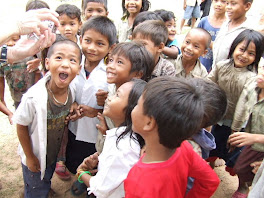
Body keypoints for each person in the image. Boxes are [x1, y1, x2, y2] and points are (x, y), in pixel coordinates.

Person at [124, 77, 220, 198]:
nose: (133, 108)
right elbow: (210, 180)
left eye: (137, 105)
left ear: (149, 123)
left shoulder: (137, 181)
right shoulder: (185, 148)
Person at [13, 39, 82, 198]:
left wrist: (75, 105)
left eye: (72, 60)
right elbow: (21, 125)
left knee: (45, 177)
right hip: (35, 155)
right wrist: (30, 157)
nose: (65, 64)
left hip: (52, 154)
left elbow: (73, 102)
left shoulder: (71, 89)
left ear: (78, 69)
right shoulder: (33, 98)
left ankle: (41, 188)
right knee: (36, 187)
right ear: (47, 63)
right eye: (59, 58)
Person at [65, 16, 117, 195]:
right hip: (74, 128)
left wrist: (97, 110)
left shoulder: (111, 74)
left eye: (100, 44)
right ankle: (80, 179)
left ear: (111, 48)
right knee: (74, 159)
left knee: (94, 162)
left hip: (95, 135)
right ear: (80, 40)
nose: (92, 48)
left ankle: (89, 185)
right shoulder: (73, 65)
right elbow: (65, 90)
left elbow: (116, 108)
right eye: (87, 41)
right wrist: (72, 103)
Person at [77, 79, 146, 197]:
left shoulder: (123, 148)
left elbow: (100, 189)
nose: (109, 98)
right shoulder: (123, 138)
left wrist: (81, 173)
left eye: (117, 95)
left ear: (132, 109)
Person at [208, 29, 264, 172]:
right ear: (234, 47)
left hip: (235, 122)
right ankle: (211, 164)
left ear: (256, 57)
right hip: (218, 115)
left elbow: (242, 107)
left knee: (231, 147)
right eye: (242, 49)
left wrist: (235, 129)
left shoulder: (251, 77)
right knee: (214, 141)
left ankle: (238, 178)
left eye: (251, 53)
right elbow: (209, 83)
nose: (244, 56)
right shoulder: (221, 66)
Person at [95, 41, 155, 153]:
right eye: (111, 60)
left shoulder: (138, 103)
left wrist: (107, 134)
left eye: (119, 62)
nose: (110, 66)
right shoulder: (111, 89)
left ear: (137, 74)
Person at [227, 64, 264, 197]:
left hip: (258, 144)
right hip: (253, 143)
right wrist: (235, 130)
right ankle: (244, 185)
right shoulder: (252, 86)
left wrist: (255, 138)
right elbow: (241, 108)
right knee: (241, 168)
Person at [0, 35, 39, 111]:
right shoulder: (2, 61)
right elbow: (1, 80)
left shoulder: (29, 56)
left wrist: (36, 94)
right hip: (17, 98)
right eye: (6, 40)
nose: (10, 43)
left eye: (15, 40)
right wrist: (2, 99)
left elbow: (37, 73)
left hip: (32, 98)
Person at [212, 0, 253, 68]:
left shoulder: (248, 31)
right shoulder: (225, 23)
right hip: (216, 71)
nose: (228, 7)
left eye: (233, 4)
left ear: (247, 6)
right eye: (227, 3)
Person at [197, 0, 227, 72]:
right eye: (216, 1)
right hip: (201, 64)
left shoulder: (228, 25)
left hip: (217, 67)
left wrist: (211, 44)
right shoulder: (204, 21)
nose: (219, 4)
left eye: (223, 1)